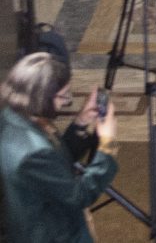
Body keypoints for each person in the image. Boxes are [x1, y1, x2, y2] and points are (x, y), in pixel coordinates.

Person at [0, 51, 120, 241]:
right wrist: (107, 145)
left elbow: (53, 166)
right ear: (42, 97)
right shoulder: (35, 151)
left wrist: (80, 123)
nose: (66, 102)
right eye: (63, 96)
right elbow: (79, 196)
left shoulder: (11, 116)